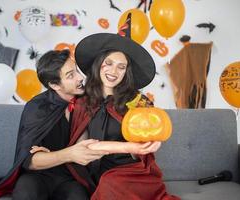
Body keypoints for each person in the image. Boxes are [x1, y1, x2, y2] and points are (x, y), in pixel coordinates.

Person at [67, 33, 180, 200]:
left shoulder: (137, 102)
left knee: (110, 181)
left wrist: (153, 143)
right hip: (95, 173)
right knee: (93, 184)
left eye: (121, 66)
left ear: (127, 71)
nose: (114, 71)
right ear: (99, 65)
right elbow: (82, 148)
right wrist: (128, 146)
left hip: (133, 172)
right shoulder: (83, 102)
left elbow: (150, 137)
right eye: (109, 63)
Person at [11, 49, 109, 200]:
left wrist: (49, 155)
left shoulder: (87, 101)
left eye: (76, 70)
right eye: (71, 75)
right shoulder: (37, 107)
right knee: (25, 193)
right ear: (55, 85)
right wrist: (70, 154)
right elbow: (30, 161)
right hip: (38, 176)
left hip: (70, 177)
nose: (80, 77)